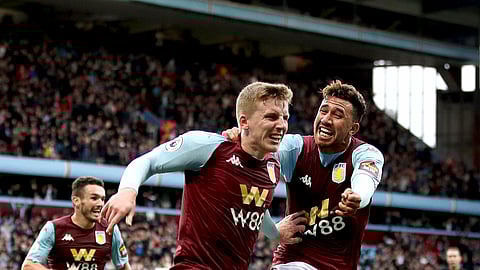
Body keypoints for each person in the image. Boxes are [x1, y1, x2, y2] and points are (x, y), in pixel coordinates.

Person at [101, 82, 307, 270]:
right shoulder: (208, 147)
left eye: (285, 117)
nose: (281, 125)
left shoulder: (272, 165)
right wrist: (127, 191)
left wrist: (276, 233)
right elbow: (147, 161)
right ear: (244, 122)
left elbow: (256, 206)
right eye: (271, 117)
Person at [224, 80, 384, 269]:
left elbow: (366, 179)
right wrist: (244, 140)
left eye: (338, 115)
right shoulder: (294, 148)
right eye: (323, 111)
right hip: (292, 261)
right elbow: (254, 161)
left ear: (353, 128)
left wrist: (358, 197)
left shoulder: (365, 154)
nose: (326, 119)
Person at [22, 176, 131, 270]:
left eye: (102, 199)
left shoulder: (110, 228)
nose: (100, 204)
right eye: (94, 198)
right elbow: (29, 265)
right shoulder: (54, 228)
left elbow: (123, 266)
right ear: (76, 201)